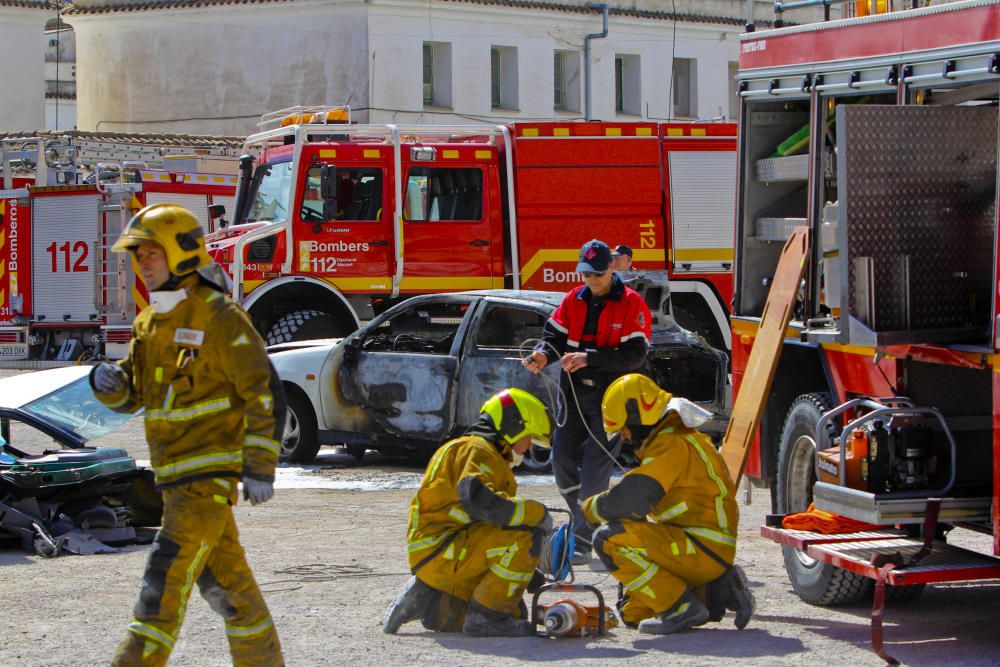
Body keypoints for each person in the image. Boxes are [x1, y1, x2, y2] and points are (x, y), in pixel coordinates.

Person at [90, 203, 285, 667]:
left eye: (150, 253)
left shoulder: (219, 317)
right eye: (137, 255)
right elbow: (137, 396)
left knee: (160, 590)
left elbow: (264, 393)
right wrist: (111, 388)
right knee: (231, 592)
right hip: (175, 483)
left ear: (182, 253)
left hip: (205, 482)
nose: (142, 264)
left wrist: (259, 469)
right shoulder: (150, 322)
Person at [583, 373, 754, 634]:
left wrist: (591, 508)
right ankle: (717, 589)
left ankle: (681, 608)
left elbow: (636, 494)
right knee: (633, 613)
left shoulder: (671, 443)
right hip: (702, 546)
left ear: (638, 415)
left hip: (699, 546)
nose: (626, 436)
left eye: (625, 427)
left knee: (608, 539)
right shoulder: (680, 437)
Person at [384, 388, 553, 637]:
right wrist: (537, 514)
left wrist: (526, 572)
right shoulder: (479, 450)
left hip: (441, 549)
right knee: (525, 536)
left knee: (515, 611)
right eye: (529, 437)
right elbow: (479, 499)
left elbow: (483, 524)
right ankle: (486, 619)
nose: (528, 447)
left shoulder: (467, 448)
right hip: (446, 548)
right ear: (513, 426)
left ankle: (429, 599)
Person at [522, 239, 651, 565]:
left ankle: (579, 540)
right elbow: (554, 339)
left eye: (596, 273)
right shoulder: (573, 300)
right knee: (562, 461)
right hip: (574, 397)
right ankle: (590, 519)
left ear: (611, 267)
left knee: (595, 469)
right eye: (585, 274)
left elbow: (635, 356)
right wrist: (541, 355)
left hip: (611, 400)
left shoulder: (632, 303)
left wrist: (588, 358)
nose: (591, 280)